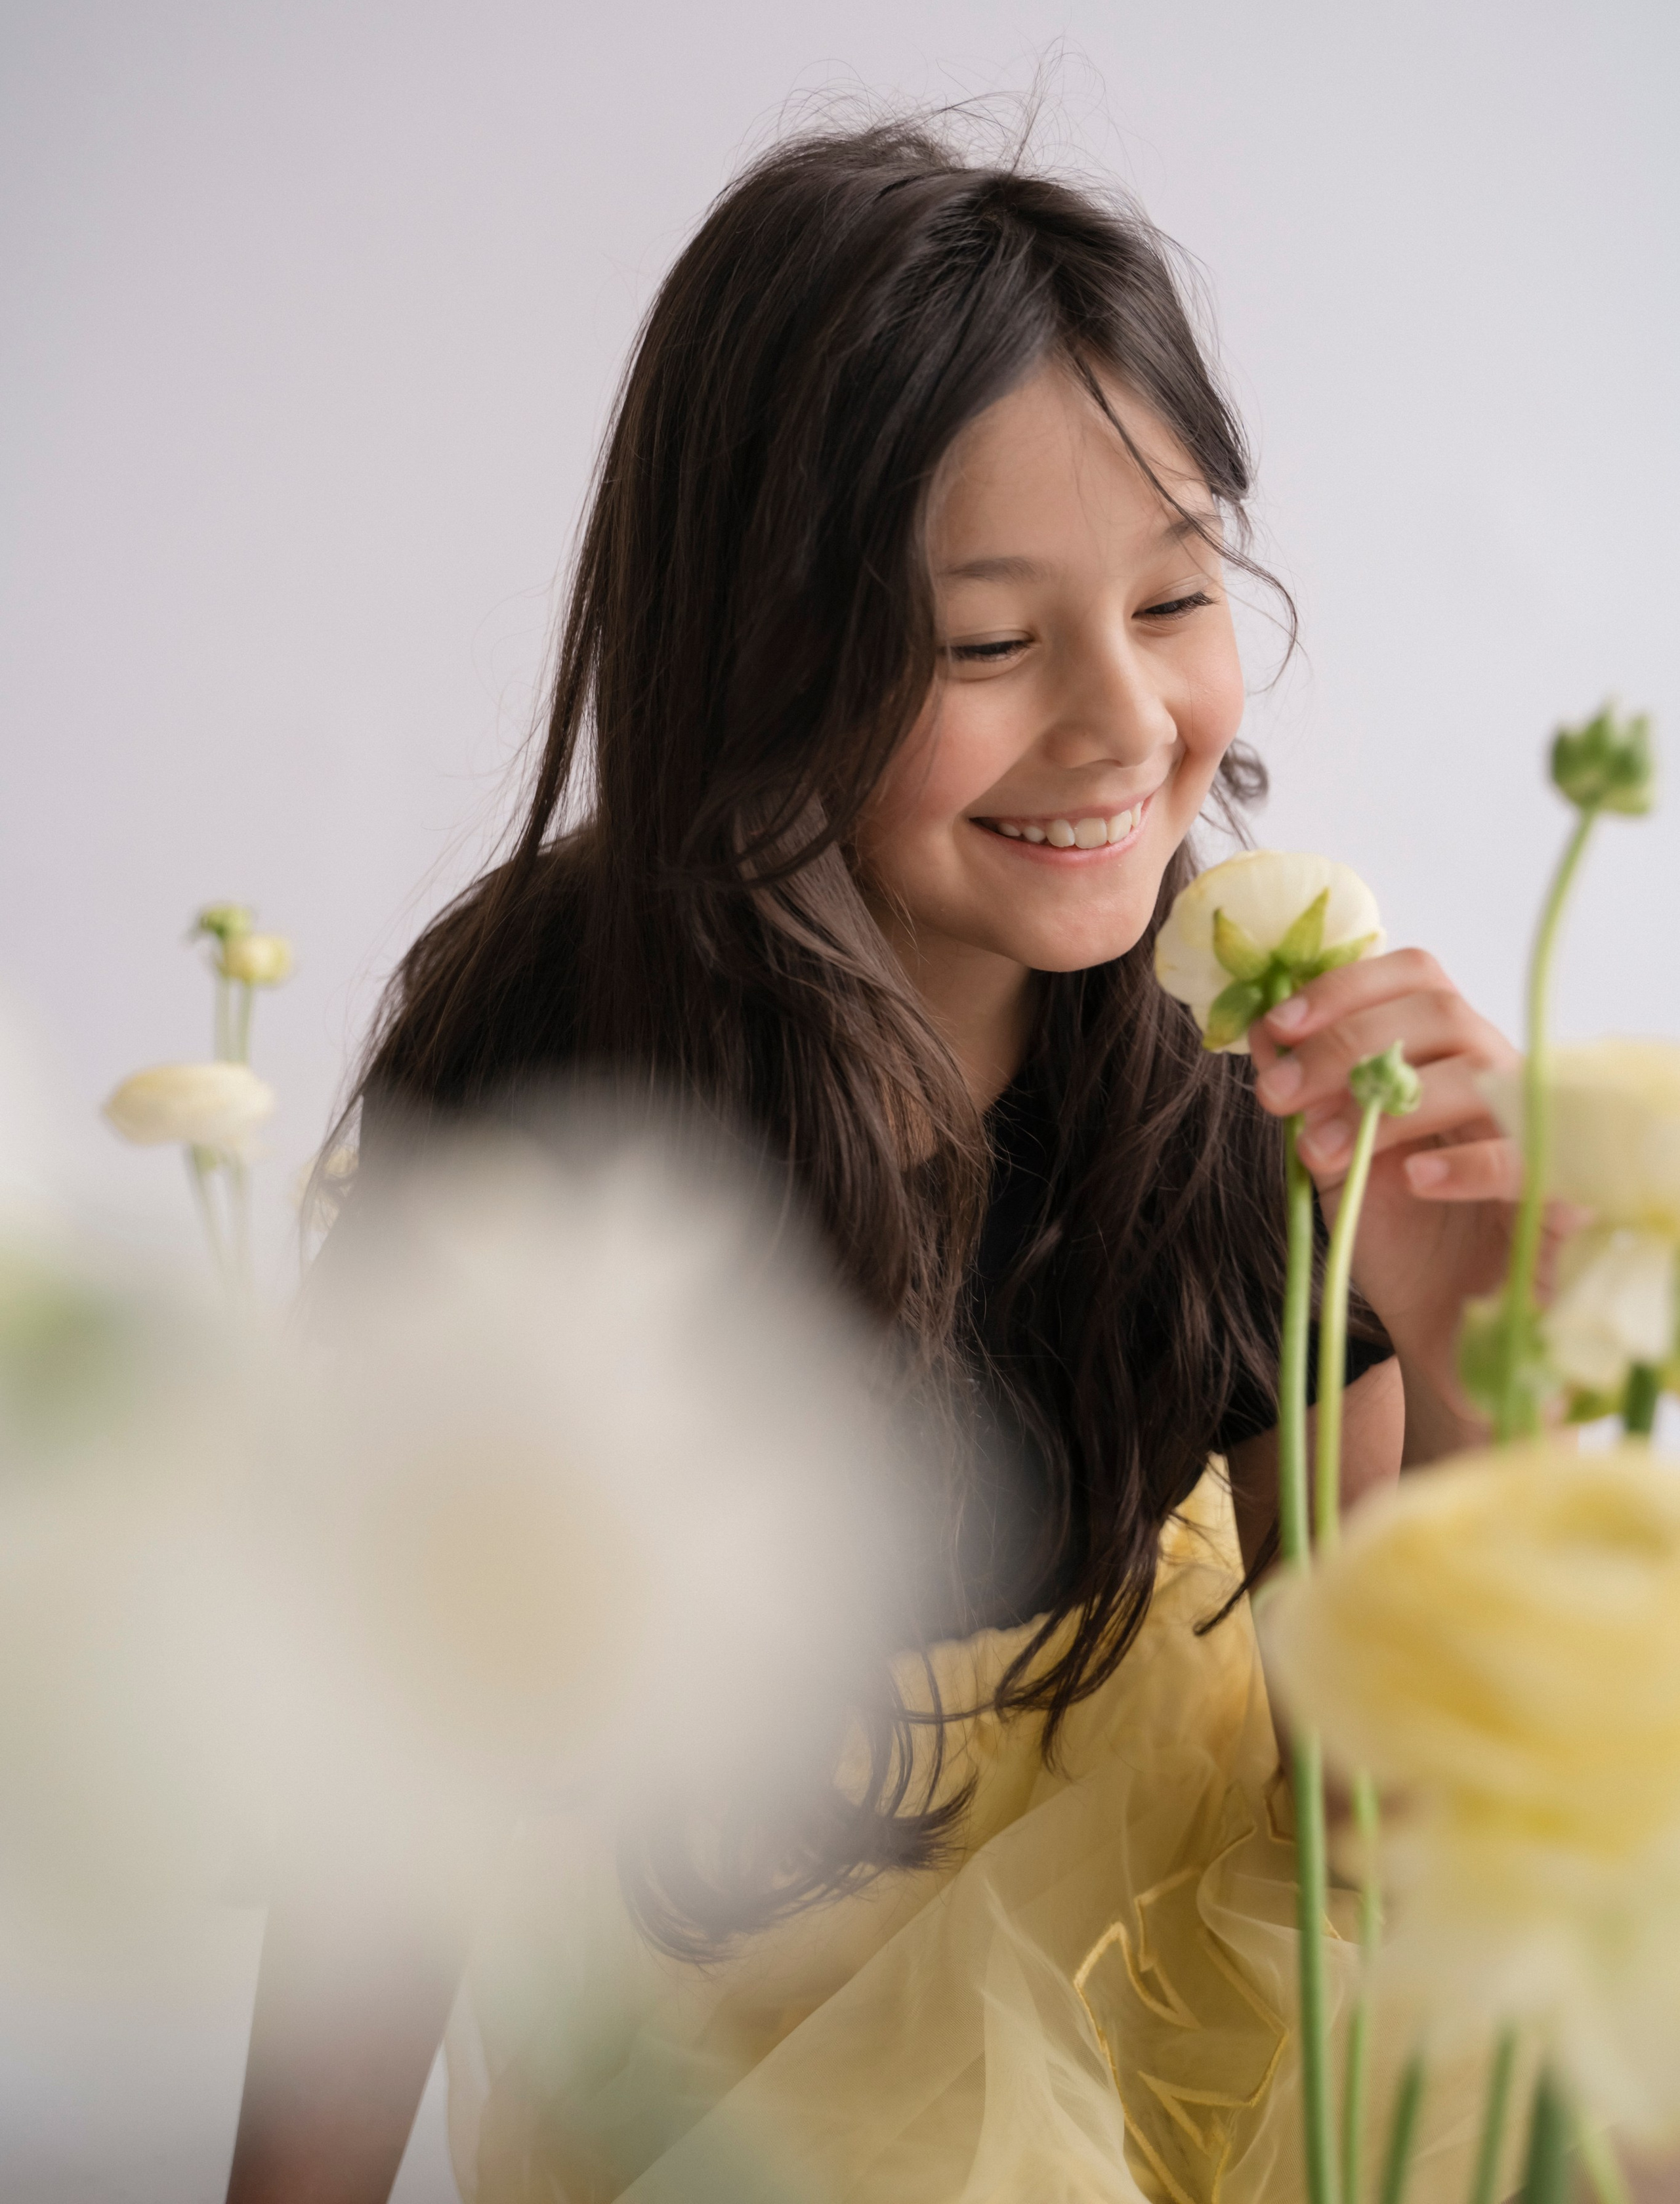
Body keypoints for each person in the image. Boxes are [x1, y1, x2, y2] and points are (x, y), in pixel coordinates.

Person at [226, 115, 1519, 2204]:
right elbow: (402, 1799)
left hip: (1187, 2000)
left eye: (1178, 594)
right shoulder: (561, 1063)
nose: (1122, 725)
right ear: (761, 651)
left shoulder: (1236, 1080)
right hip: (751, 2046)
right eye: (991, 643)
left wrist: (1460, 1369)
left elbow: (1361, 1847)